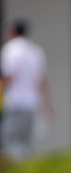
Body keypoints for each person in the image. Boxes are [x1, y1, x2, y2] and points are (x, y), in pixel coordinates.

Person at [0, 19, 53, 161]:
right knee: (25, 144)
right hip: (32, 104)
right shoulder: (36, 51)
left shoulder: (10, 49)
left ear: (14, 32)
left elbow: (10, 76)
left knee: (8, 140)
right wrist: (48, 106)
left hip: (15, 103)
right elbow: (41, 81)